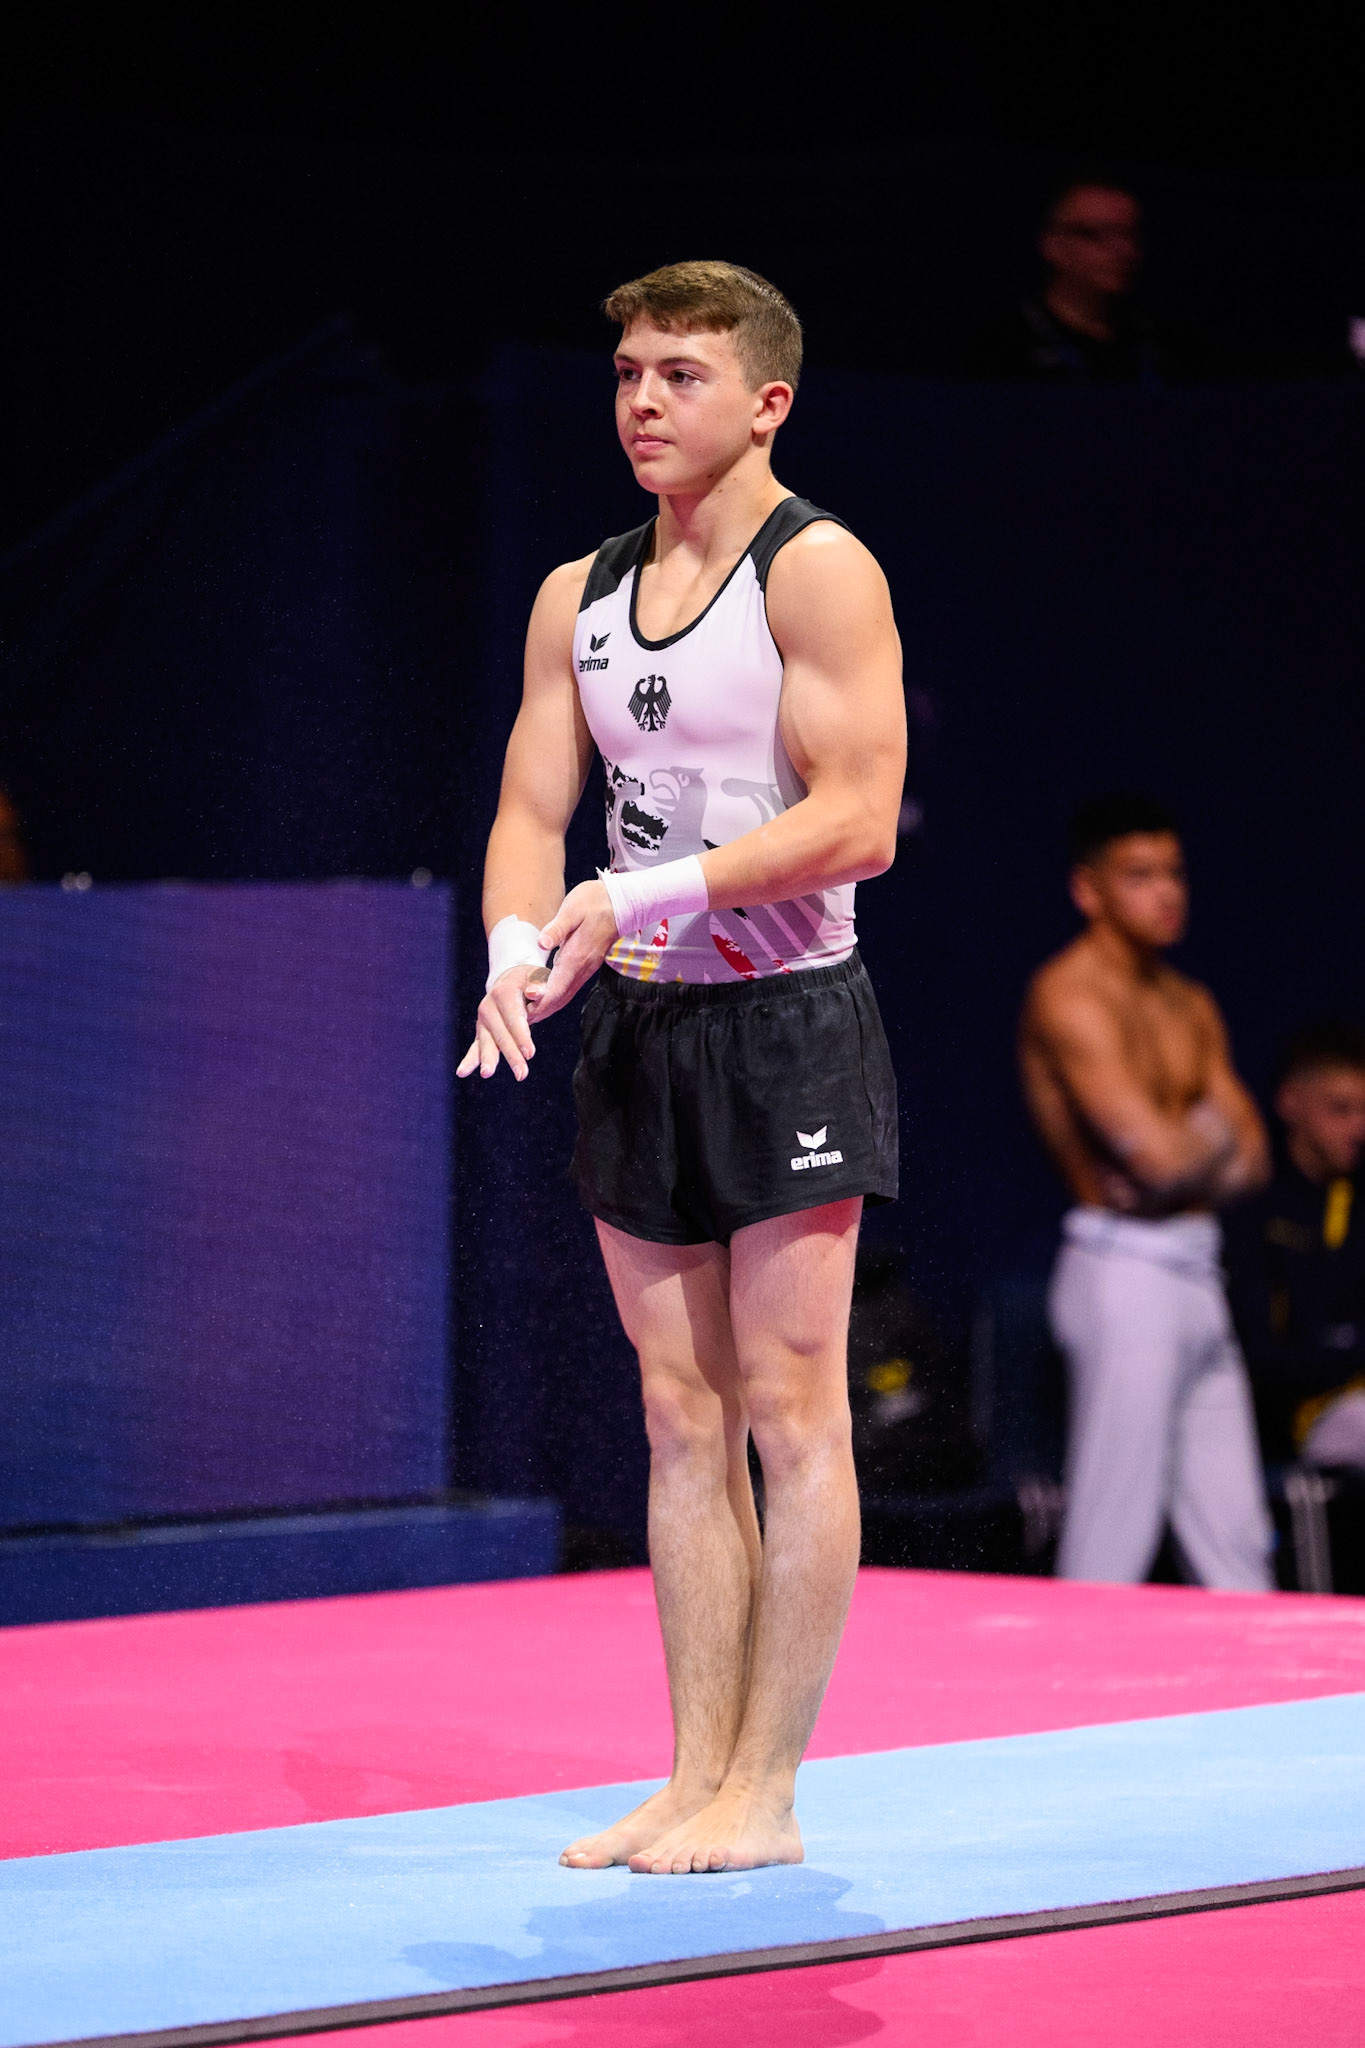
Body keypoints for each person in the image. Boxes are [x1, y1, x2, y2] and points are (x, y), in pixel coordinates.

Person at [458, 261, 906, 1873]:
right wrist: (519, 943)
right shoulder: (576, 591)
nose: (645, 401)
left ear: (767, 401)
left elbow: (857, 818)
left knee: (791, 1409)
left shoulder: (820, 571)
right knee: (675, 1412)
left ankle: (769, 1793)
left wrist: (630, 893)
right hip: (642, 1025)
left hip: (787, 1025)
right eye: (631, 373)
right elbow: (530, 807)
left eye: (683, 376)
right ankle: (691, 1769)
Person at [1018, 795, 1274, 1588]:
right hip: (1120, 1273)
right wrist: (1204, 1135)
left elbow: (1253, 1159)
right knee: (1111, 1534)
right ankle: (1068, 1708)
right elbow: (1166, 1160)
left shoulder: (1188, 1003)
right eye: (1139, 875)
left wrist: (1184, 1152)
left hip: (1198, 1273)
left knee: (1239, 1540)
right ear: (1087, 890)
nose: (1166, 892)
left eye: (1172, 873)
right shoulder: (1069, 995)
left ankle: (1272, 1708)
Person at [1225, 1020, 1365, 1470]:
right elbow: (1260, 1357)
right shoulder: (1251, 1211)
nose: (1359, 1128)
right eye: (1341, 1110)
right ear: (1290, 1103)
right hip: (1304, 1417)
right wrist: (1344, 1356)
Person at [965, 179, 1204, 384]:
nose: (1123, 250)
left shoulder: (1164, 345)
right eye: (1098, 235)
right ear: (1052, 245)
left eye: (1130, 234)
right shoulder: (1003, 350)